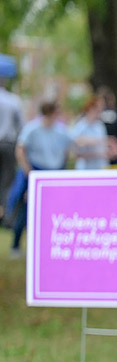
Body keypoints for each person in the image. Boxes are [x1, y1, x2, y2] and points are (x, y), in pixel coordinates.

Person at [10, 100, 71, 257]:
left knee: (53, 211)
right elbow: (20, 150)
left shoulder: (60, 130)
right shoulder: (32, 128)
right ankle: (16, 245)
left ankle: (48, 246)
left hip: (53, 172)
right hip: (36, 171)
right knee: (26, 209)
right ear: (50, 112)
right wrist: (28, 172)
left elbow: (72, 144)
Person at [0, 71, 23, 224]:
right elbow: (21, 126)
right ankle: (6, 217)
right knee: (7, 181)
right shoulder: (13, 101)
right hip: (8, 144)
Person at [69, 94, 111, 170]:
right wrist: (93, 141)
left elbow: (103, 144)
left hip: (100, 165)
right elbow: (76, 141)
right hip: (85, 166)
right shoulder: (81, 125)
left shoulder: (100, 125)